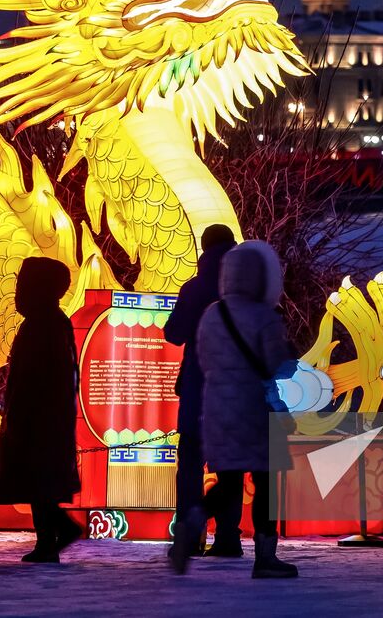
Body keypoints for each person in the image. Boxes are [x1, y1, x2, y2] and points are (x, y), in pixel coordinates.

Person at [171, 240, 299, 579]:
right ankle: (266, 558)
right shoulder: (263, 316)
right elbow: (278, 367)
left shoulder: (212, 314)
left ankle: (194, 520)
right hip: (257, 410)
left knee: (227, 483)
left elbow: (205, 359)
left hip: (216, 409)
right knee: (265, 483)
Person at [0, 257, 84, 563]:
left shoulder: (44, 324)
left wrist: (18, 413)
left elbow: (35, 376)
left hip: (37, 419)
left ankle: (53, 535)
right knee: (37, 481)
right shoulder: (49, 321)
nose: (18, 291)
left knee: (37, 479)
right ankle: (49, 538)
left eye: (23, 284)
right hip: (43, 417)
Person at [163, 224, 242, 558]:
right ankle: (227, 538)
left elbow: (174, 334)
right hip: (236, 392)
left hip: (198, 389)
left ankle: (189, 536)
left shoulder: (194, 288)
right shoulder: (243, 290)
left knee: (191, 466)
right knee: (231, 467)